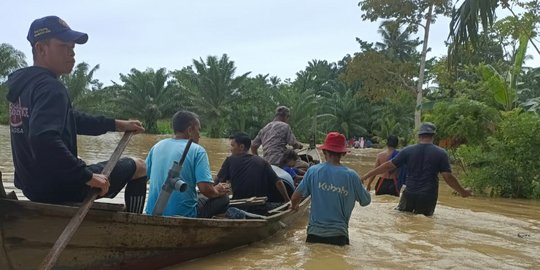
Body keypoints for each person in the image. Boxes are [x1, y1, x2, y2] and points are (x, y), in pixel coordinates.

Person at [6, 16, 147, 213]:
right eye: (64, 46)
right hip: (60, 188)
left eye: (73, 48)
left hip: (31, 186)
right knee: (140, 166)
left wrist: (116, 124)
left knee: (75, 158)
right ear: (40, 49)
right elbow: (42, 138)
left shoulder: (24, 85)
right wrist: (85, 176)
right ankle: (134, 227)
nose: (72, 54)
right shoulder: (51, 88)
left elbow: (69, 119)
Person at [362, 123, 472, 216]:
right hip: (428, 196)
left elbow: (387, 166)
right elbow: (448, 177)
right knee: (424, 225)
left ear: (419, 135)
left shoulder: (407, 151)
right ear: (433, 135)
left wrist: (365, 177)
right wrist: (462, 192)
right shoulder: (441, 153)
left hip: (409, 194)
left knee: (404, 222)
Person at [291, 132, 371, 246]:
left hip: (314, 234)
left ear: (324, 152)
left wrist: (294, 206)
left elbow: (295, 197)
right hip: (339, 236)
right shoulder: (352, 176)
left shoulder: (313, 171)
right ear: (343, 153)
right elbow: (366, 201)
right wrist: (361, 186)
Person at [145, 111, 230, 217]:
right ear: (190, 130)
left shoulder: (157, 146)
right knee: (224, 199)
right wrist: (217, 190)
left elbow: (144, 177)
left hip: (151, 213)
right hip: (185, 215)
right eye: (198, 130)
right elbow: (205, 189)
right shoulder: (198, 150)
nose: (199, 135)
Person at [215, 132, 290, 215]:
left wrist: (212, 192)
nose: (231, 149)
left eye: (233, 145)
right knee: (278, 204)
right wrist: (287, 201)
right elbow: (279, 182)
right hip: (260, 208)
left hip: (238, 206)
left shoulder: (230, 160)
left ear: (241, 147)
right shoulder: (263, 162)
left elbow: (218, 181)